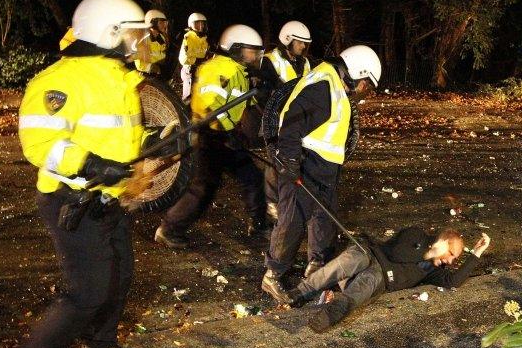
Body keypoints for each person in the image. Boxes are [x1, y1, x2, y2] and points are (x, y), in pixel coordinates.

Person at [4, 0, 171, 348]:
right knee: (89, 290)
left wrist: (155, 143)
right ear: (108, 32)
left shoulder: (119, 78)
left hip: (107, 199)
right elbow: (39, 143)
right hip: (70, 199)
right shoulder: (60, 81)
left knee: (120, 274)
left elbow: (120, 136)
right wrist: (90, 164)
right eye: (132, 34)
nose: (138, 43)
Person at [261, 45, 381, 299]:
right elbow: (291, 125)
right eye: (365, 84)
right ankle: (273, 275)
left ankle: (317, 268)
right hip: (305, 164)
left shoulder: (335, 86)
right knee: (292, 220)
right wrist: (290, 163)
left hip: (325, 168)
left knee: (324, 219)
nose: (363, 91)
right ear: (357, 71)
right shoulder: (322, 87)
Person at [154, 24, 269, 249]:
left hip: (226, 136)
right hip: (210, 137)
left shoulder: (237, 70)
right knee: (203, 187)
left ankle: (259, 224)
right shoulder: (219, 69)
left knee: (252, 178)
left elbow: (239, 101)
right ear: (235, 48)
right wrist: (224, 130)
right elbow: (209, 105)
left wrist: (261, 95)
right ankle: (169, 229)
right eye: (250, 51)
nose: (254, 56)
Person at [284, 228, 491, 333]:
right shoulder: (417, 235)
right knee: (346, 263)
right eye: (452, 254)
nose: (451, 261)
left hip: (378, 277)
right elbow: (396, 253)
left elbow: (453, 281)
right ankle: (299, 293)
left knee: (363, 288)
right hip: (370, 254)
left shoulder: (433, 270)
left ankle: (328, 315)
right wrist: (429, 254)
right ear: (443, 242)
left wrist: (477, 253)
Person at [259, 20, 312, 220]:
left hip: (296, 119)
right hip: (275, 119)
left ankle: (290, 200)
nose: (303, 46)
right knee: (275, 161)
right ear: (287, 40)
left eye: (305, 43)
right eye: (299, 42)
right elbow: (264, 94)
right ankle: (271, 203)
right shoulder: (270, 61)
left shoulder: (305, 63)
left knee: (296, 159)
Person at [178, 12, 209, 101]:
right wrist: (197, 59)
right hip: (189, 68)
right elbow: (186, 55)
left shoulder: (203, 38)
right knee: (188, 93)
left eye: (202, 24)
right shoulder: (189, 37)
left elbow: (203, 53)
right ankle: (185, 107)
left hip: (198, 67)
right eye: (197, 24)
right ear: (191, 25)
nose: (200, 26)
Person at [135, 9, 170, 76]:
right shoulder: (143, 38)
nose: (164, 25)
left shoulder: (161, 37)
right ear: (152, 23)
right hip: (145, 75)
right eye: (161, 23)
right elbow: (139, 61)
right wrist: (151, 67)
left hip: (158, 72)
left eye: (165, 22)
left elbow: (162, 54)